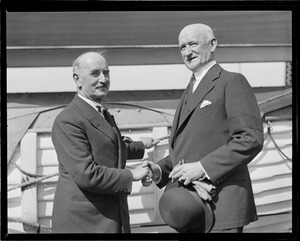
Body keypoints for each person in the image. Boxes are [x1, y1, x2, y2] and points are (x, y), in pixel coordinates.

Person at [143, 23, 264, 233]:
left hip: (221, 204)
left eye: (193, 44)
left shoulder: (232, 81)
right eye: (182, 47)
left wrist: (203, 167)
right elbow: (187, 149)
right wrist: (159, 170)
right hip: (190, 207)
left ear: (213, 44)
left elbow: (250, 138)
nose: (187, 52)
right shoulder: (189, 89)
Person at [51, 51, 156, 233]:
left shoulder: (100, 112)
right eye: (95, 73)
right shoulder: (68, 120)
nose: (103, 79)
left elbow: (109, 146)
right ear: (77, 79)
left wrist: (140, 147)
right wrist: (132, 175)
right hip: (86, 223)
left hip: (110, 218)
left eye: (106, 73)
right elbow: (86, 174)